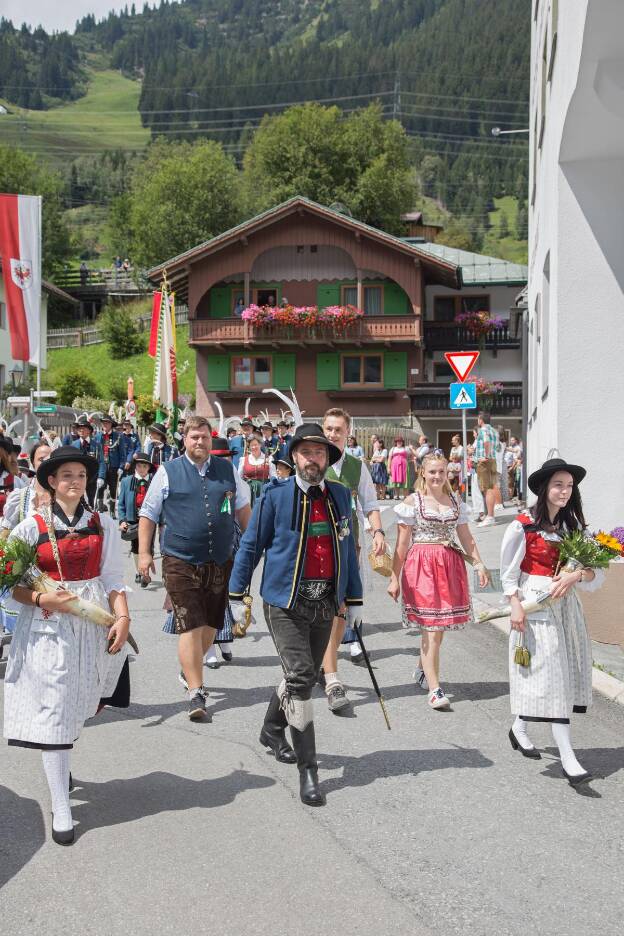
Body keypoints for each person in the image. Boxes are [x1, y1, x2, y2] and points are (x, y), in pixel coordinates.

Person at [228, 423, 362, 806]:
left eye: (319, 453)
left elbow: (348, 552)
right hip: (284, 601)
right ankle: (309, 770)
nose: (313, 460)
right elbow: (251, 546)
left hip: (325, 603)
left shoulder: (339, 495)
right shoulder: (275, 496)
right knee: (303, 677)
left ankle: (272, 729)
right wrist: (238, 595)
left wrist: (353, 601)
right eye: (306, 453)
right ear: (294, 457)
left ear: (326, 459)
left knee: (300, 673)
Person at [4, 446, 130, 845]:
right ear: (52, 483)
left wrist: (123, 617)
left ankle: (61, 767)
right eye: (66, 476)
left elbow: (112, 576)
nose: (75, 481)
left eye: (80, 475)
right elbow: (13, 588)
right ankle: (61, 805)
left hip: (91, 623)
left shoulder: (101, 523)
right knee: (55, 711)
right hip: (47, 628)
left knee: (79, 704)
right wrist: (43, 599)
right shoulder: (31, 527)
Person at [138, 416, 251, 721]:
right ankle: (196, 692)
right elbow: (148, 513)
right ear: (184, 440)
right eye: (193, 437)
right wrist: (145, 554)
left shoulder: (227, 470)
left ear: (210, 440)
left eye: (204, 437)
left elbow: (242, 509)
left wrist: (252, 548)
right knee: (189, 622)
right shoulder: (168, 471)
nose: (199, 442)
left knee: (212, 625)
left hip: (220, 559)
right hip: (179, 559)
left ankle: (188, 668)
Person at [500, 458, 602, 787]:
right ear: (545, 488)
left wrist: (574, 575)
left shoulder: (574, 528)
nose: (564, 491)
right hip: (535, 608)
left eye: (569, 486)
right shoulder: (523, 525)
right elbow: (508, 574)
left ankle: (519, 727)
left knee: (555, 676)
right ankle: (568, 757)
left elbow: (592, 574)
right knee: (552, 678)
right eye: (558, 485)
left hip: (565, 609)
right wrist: (515, 605)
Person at [389, 453, 489, 709]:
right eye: (432, 471)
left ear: (447, 473)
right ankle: (435, 689)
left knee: (439, 629)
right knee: (431, 630)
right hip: (421, 567)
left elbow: (467, 538)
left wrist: (478, 564)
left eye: (441, 472)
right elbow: (401, 544)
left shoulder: (455, 501)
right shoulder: (413, 501)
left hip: (449, 565)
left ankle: (422, 670)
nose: (436, 476)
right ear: (423, 472)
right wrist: (394, 577)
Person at [321, 408, 386, 707]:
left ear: (348, 433)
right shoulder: (312, 461)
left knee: (343, 603)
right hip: (316, 547)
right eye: (329, 429)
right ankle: (324, 664)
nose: (333, 434)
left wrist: (378, 533)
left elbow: (370, 503)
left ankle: (331, 668)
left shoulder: (357, 467)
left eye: (338, 430)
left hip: (347, 545)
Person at [200, 437, 251, 668]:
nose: (222, 461)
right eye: (218, 457)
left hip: (229, 540)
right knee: (205, 596)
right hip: (202, 543)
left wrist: (251, 543)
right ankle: (209, 647)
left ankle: (225, 639)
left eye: (226, 457)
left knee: (227, 592)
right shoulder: (197, 474)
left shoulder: (234, 477)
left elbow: (243, 509)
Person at [117, 452, 155, 585]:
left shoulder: (153, 481)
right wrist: (122, 520)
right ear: (135, 467)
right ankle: (139, 571)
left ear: (149, 468)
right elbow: (121, 503)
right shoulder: (127, 481)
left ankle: (145, 573)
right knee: (136, 546)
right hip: (133, 520)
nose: (142, 469)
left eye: (145, 466)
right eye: (139, 466)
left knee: (148, 546)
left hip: (150, 519)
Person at [474, 412, 499, 526]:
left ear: (481, 419)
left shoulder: (483, 430)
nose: (477, 421)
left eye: (478, 419)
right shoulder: (495, 431)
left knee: (486, 488)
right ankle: (491, 515)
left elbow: (486, 441)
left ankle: (490, 516)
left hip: (485, 461)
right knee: (492, 487)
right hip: (493, 460)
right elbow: (498, 448)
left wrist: (486, 456)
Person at [96, 416, 122, 518]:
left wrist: (121, 466)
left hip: (113, 467)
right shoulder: (98, 436)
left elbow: (122, 454)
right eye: (103, 423)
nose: (105, 425)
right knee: (100, 488)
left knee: (113, 488)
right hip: (101, 466)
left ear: (111, 424)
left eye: (107, 423)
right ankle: (100, 509)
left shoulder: (118, 436)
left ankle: (112, 510)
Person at [239, 434, 276, 505]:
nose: (253, 447)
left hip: (264, 490)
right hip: (248, 492)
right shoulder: (243, 460)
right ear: (249, 447)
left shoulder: (269, 459)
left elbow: (273, 477)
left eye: (255, 444)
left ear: (260, 445)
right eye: (251, 445)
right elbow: (239, 478)